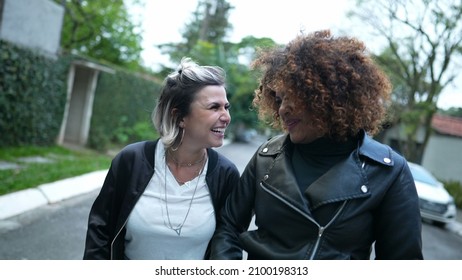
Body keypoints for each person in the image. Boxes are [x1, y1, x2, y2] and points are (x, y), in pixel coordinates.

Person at [209, 30, 423, 260]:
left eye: (293, 96)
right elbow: (228, 228)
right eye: (279, 99)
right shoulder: (266, 157)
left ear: (330, 96)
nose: (282, 109)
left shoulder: (388, 171)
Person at [83, 57, 240, 260]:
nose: (226, 116)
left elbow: (229, 244)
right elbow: (100, 234)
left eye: (226, 107)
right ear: (179, 117)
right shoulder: (131, 161)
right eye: (214, 107)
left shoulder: (226, 175)